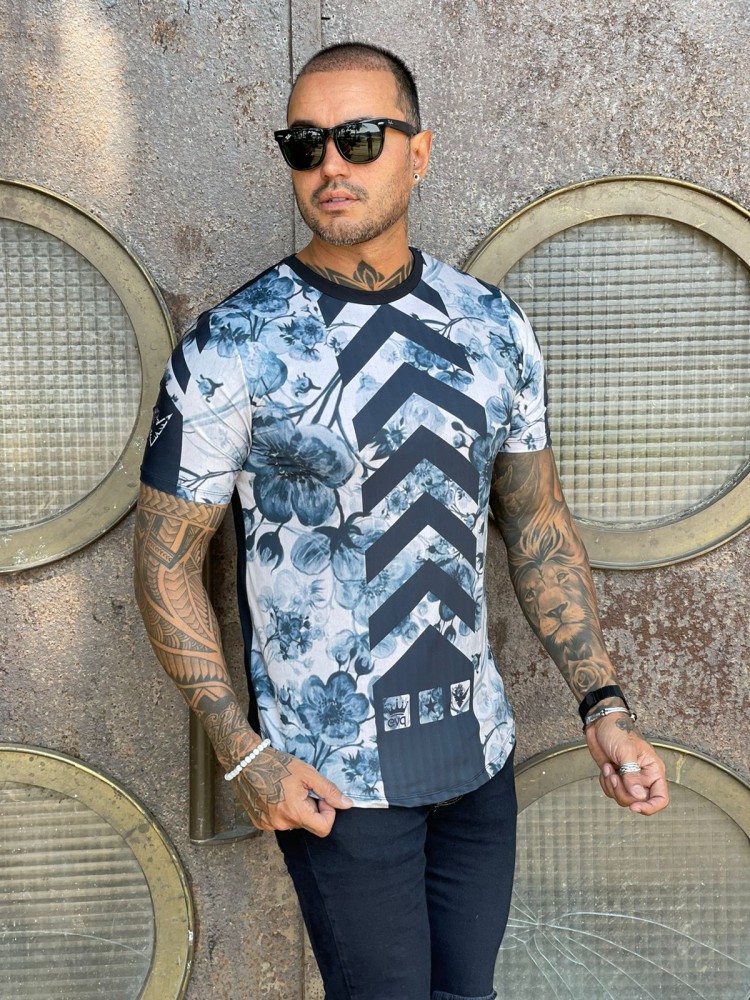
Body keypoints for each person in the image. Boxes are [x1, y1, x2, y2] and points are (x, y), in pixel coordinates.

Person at [134, 41, 669, 1000]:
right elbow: (166, 562)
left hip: (477, 756)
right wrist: (241, 752)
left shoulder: (492, 326)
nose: (330, 164)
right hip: (335, 780)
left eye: (360, 137)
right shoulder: (233, 346)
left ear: (419, 152)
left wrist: (604, 706)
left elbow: (537, 525)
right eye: (305, 144)